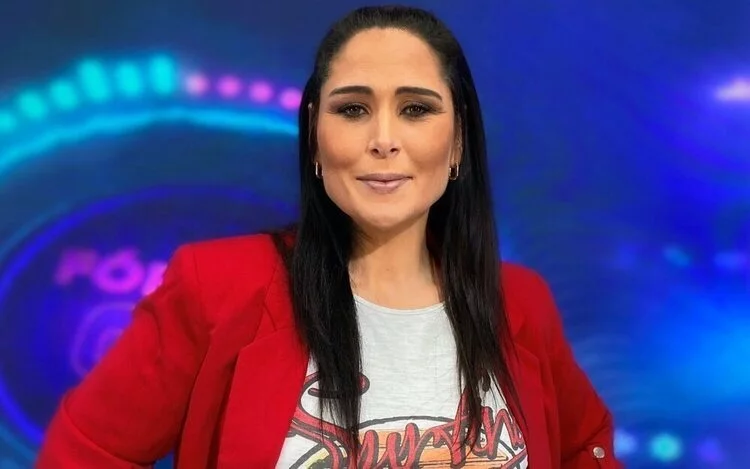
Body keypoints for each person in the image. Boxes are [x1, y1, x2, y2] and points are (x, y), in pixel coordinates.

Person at [37, 5, 622, 469]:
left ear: (458, 143)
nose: (384, 139)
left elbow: (583, 446)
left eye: (416, 109)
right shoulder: (216, 287)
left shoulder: (519, 302)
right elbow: (86, 453)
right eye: (353, 110)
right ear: (315, 136)